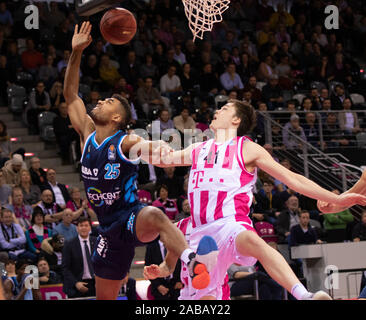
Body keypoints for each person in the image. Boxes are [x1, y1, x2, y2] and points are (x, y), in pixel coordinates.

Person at [144, 99, 366, 300]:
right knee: (202, 299)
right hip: (201, 233)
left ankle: (304, 295)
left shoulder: (247, 148)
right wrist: (132, 147)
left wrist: (336, 198)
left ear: (236, 119)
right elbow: (164, 159)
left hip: (229, 224)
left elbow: (292, 178)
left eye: (224, 108)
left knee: (256, 243)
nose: (217, 110)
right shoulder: (199, 148)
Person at [64, 22, 218, 300]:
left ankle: (193, 262)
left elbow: (147, 145)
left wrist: (158, 148)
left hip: (130, 218)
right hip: (107, 230)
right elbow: (70, 96)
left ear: (117, 119)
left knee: (156, 214)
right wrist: (76, 53)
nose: (99, 102)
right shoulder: (86, 135)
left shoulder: (125, 140)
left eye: (108, 101)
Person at [62, 217, 97, 298]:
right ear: (77, 228)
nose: (84, 228)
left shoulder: (97, 242)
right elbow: (65, 268)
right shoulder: (69, 244)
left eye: (86, 225)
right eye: (81, 225)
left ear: (90, 228)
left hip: (96, 283)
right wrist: (75, 283)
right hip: (77, 284)